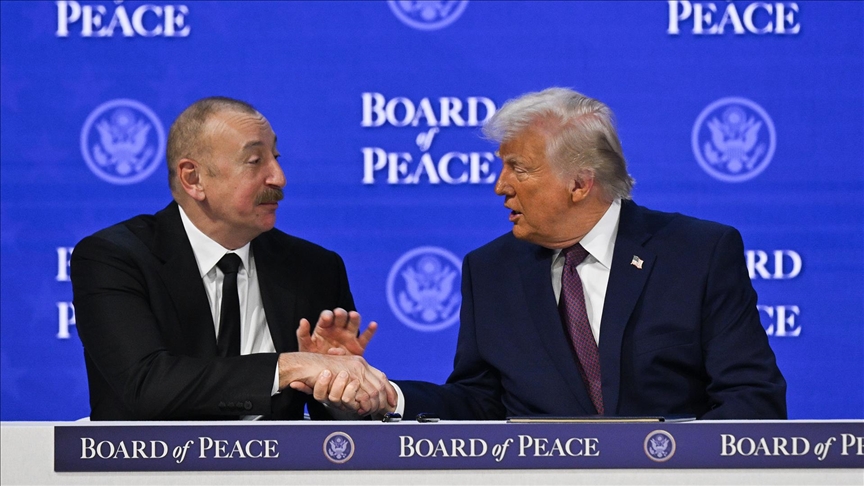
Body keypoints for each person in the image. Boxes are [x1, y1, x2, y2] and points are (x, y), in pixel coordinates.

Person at [327, 88, 787, 420]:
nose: (500, 186)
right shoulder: (490, 271)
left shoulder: (697, 253)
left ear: (580, 184)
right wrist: (389, 396)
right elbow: (480, 403)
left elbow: (751, 397)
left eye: (518, 168)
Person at [71, 97, 395, 420]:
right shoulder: (114, 258)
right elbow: (146, 384)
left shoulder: (315, 268)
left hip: (279, 455)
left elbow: (336, 433)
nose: (279, 177)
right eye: (255, 161)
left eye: (276, 157)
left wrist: (335, 386)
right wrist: (290, 366)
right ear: (193, 178)